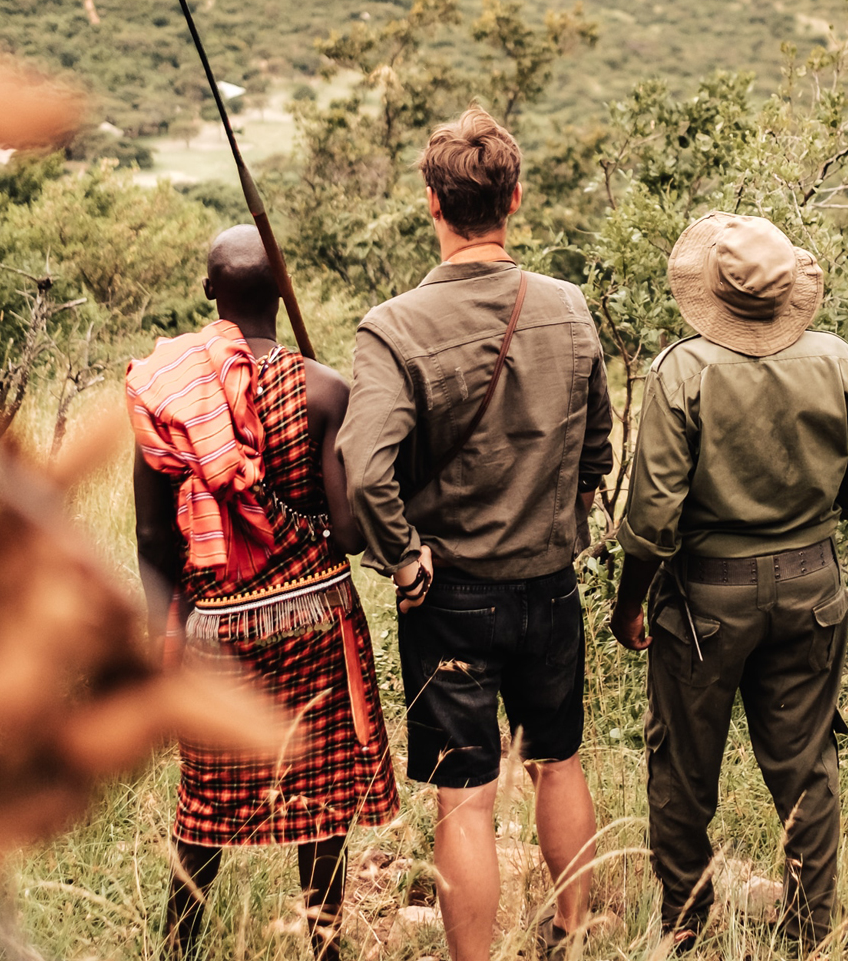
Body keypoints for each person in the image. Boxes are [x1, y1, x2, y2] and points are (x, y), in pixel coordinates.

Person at [339, 107, 614, 961]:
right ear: (515, 199)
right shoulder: (568, 308)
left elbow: (362, 469)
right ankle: (575, 935)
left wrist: (406, 559)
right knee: (558, 764)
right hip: (550, 586)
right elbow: (597, 447)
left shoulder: (393, 328)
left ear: (433, 203)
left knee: (466, 799)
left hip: (450, 597)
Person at [609, 212, 848, 952]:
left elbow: (653, 516)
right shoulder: (838, 361)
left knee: (684, 771)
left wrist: (629, 605)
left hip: (706, 598)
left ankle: (686, 930)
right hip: (813, 586)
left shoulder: (684, 371)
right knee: (808, 766)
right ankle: (809, 932)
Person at [129, 226, 400, 961]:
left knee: (209, 795)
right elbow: (346, 533)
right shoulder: (325, 388)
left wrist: (166, 641)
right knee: (319, 788)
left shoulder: (172, 394)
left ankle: (179, 945)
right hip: (317, 619)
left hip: (216, 629)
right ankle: (325, 946)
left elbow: (155, 540)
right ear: (283, 290)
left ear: (210, 291)